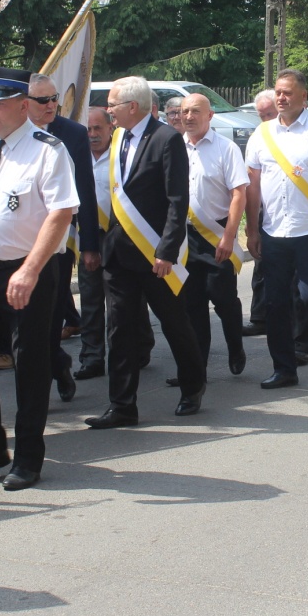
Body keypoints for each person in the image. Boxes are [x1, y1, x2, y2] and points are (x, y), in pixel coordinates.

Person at [0, 69, 80, 491]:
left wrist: (30, 269)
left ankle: (27, 458)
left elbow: (61, 213)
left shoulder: (48, 150)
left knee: (29, 363)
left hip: (29, 271)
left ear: (22, 106)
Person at [87, 76, 207, 427]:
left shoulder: (166, 139)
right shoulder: (118, 137)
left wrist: (167, 250)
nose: (108, 110)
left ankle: (192, 385)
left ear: (132, 106)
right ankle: (122, 406)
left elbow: (177, 200)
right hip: (118, 254)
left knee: (174, 322)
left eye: (112, 104)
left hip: (155, 253)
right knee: (119, 329)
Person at [244, 69, 308, 388]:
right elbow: (252, 185)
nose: (281, 97)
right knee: (275, 303)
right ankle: (284, 368)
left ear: (303, 97)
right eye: (278, 91)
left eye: (287, 92)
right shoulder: (261, 133)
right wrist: (252, 230)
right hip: (274, 230)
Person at [26, 74, 99, 404]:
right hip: (17, 241)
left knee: (50, 314)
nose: (52, 105)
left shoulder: (72, 134)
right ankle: (56, 363)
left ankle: (44, 383)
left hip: (58, 243)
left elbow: (85, 189)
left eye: (54, 98)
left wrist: (89, 244)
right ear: (24, 103)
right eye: (43, 100)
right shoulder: (7, 135)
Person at [74, 107, 154, 380]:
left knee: (126, 299)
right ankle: (92, 358)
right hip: (89, 236)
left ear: (111, 128)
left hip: (121, 236)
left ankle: (139, 347)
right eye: (88, 129)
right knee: (90, 298)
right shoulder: (76, 158)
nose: (92, 134)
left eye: (98, 128)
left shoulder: (123, 155)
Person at [179, 93, 248, 378]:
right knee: (192, 305)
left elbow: (239, 194)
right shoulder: (175, 148)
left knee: (223, 300)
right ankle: (198, 368)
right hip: (184, 238)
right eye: (184, 111)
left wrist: (229, 237)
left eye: (195, 111)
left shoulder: (226, 148)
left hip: (216, 235)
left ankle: (235, 346)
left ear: (209, 115)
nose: (189, 116)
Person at [240, 88, 277, 337]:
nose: (265, 120)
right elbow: (251, 181)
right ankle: (260, 317)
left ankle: (299, 327)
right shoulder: (258, 137)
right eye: (261, 116)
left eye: (269, 114)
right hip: (265, 210)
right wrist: (251, 224)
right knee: (261, 265)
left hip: (295, 214)